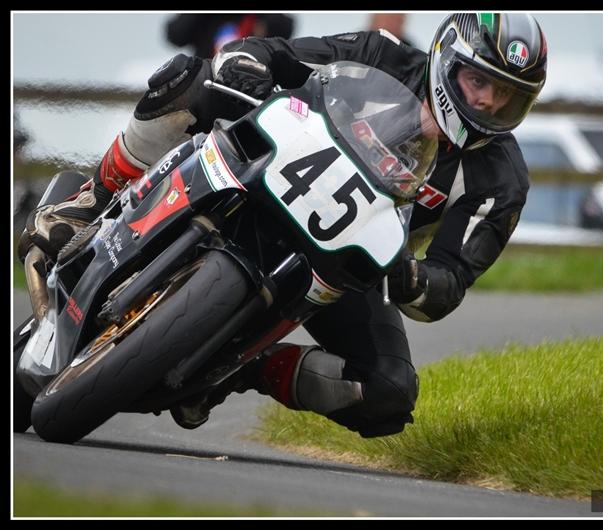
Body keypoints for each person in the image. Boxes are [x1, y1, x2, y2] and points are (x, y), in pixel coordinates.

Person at [18, 13, 547, 438]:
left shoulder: (502, 181)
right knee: (188, 76)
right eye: (478, 80)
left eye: (507, 96)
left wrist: (416, 280)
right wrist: (247, 60)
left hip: (344, 260)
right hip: (268, 165)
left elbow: (450, 280)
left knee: (387, 392)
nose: (485, 102)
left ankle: (245, 369)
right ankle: (90, 200)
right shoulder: (382, 53)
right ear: (445, 58)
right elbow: (284, 56)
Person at [165, 13, 295, 59]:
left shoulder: (261, 17)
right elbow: (176, 35)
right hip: (208, 85)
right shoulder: (204, 18)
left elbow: (285, 27)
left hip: (255, 81)